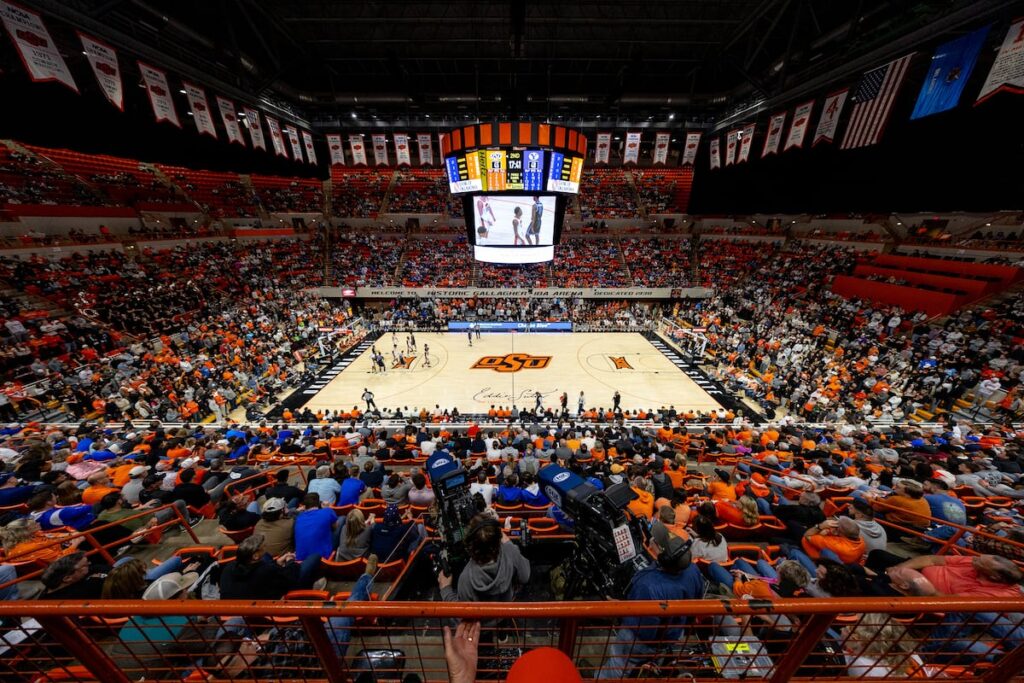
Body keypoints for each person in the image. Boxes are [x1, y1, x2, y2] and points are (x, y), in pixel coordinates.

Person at [597, 536, 705, 679]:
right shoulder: (693, 570)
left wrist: (619, 609)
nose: (654, 541)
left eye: (661, 546)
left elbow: (644, 630)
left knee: (619, 667)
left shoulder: (649, 586)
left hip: (641, 641)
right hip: (672, 635)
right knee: (651, 666)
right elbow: (696, 603)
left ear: (665, 559)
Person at [438, 513, 530, 602]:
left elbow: (462, 616)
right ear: (498, 539)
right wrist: (507, 543)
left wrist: (446, 590)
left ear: (470, 547)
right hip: (507, 612)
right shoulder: (510, 552)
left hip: (481, 618)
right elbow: (525, 576)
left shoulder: (466, 579)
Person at [219, 533, 321, 600]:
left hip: (237, 608)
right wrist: (290, 561)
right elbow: (291, 577)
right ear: (255, 556)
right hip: (263, 610)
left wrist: (276, 563)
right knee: (314, 557)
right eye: (263, 549)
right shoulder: (266, 570)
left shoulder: (229, 567)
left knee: (266, 557)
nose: (265, 550)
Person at [294, 493, 338, 562]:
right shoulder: (327, 511)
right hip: (323, 560)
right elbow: (335, 527)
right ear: (318, 503)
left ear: (305, 506)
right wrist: (327, 508)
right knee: (342, 519)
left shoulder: (299, 518)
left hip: (301, 562)